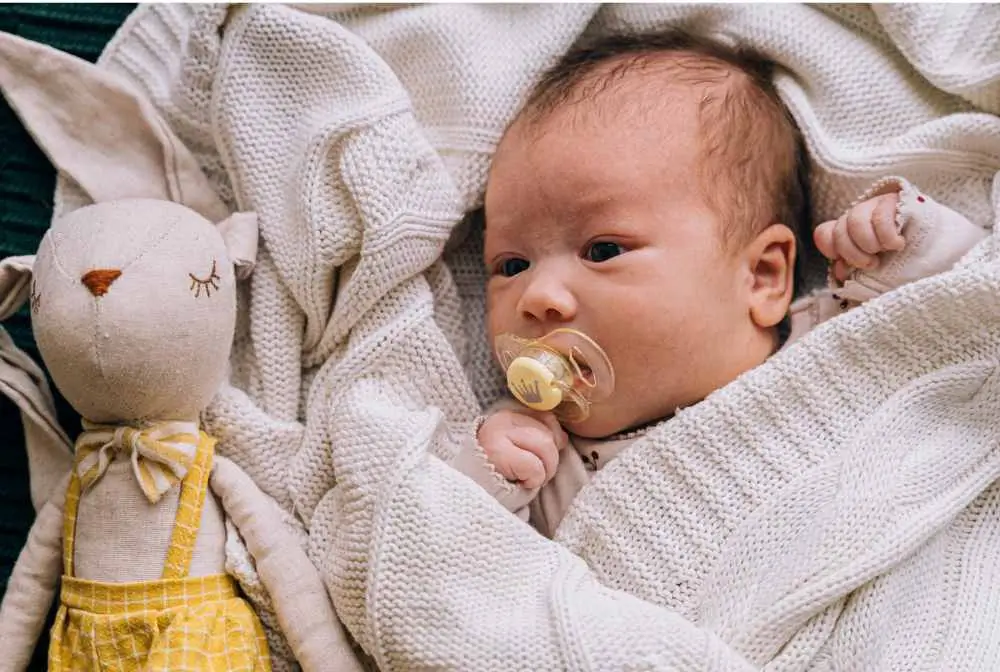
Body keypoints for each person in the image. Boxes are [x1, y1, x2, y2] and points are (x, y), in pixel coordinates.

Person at [450, 29, 987, 538]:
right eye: (512, 265)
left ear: (762, 276)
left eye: (604, 250)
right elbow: (481, 574)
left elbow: (965, 315)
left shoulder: (835, 334)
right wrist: (484, 480)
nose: (538, 298)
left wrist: (910, 239)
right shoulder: (537, 454)